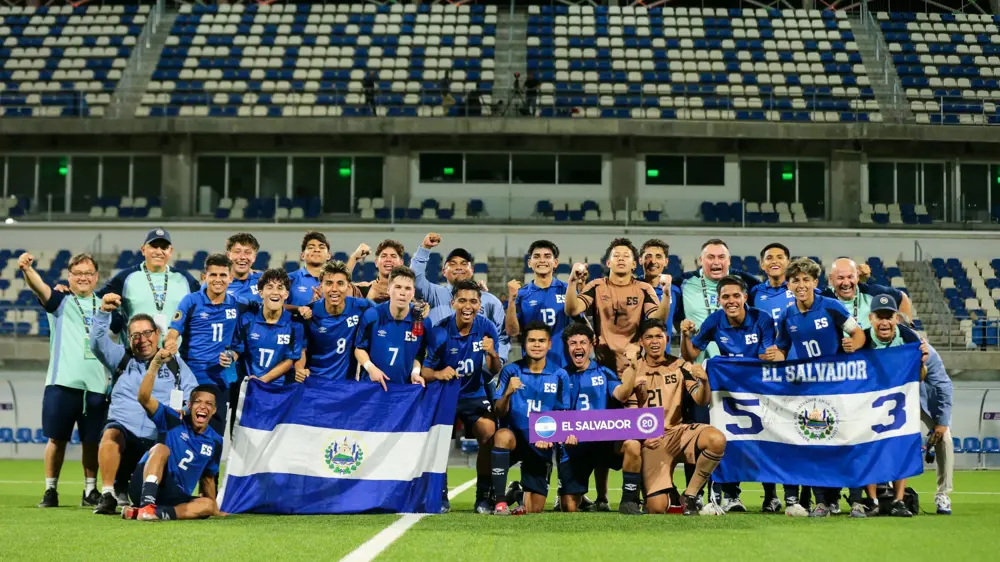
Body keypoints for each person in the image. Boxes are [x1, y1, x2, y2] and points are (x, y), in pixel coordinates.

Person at [20, 252, 122, 508]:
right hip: (62, 382)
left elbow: (125, 332)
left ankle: (90, 492)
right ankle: (50, 490)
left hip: (97, 385)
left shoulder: (107, 306)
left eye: (89, 273)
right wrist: (26, 269)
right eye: (78, 274)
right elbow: (39, 287)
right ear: (70, 277)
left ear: (97, 277)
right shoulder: (60, 301)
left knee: (92, 442)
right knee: (56, 439)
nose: (84, 278)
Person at [769, 257, 865, 518]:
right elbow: (783, 349)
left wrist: (852, 346)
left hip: (837, 385)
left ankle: (856, 501)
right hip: (808, 390)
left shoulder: (831, 307)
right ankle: (822, 502)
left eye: (806, 280)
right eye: (795, 280)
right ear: (788, 285)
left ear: (815, 282)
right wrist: (770, 357)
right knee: (817, 441)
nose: (801, 285)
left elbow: (858, 334)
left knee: (846, 440)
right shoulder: (788, 315)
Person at [680, 275, 781, 512]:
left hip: (759, 390)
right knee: (730, 441)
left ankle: (771, 496)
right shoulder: (715, 320)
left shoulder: (761, 319)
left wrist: (772, 356)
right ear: (719, 300)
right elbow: (690, 354)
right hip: (728, 391)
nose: (731, 301)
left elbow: (768, 356)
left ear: (745, 297)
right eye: (725, 296)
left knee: (765, 439)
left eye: (736, 295)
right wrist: (685, 336)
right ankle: (731, 496)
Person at [89, 296, 197, 515]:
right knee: (111, 433)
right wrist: (103, 312)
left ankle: (144, 493)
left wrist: (184, 409)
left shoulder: (175, 363)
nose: (142, 339)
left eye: (147, 333)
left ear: (157, 334)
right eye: (135, 335)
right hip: (124, 430)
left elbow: (191, 392)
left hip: (157, 436)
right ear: (128, 339)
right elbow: (96, 341)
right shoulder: (120, 357)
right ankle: (108, 493)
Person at [853, 294, 946, 518]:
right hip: (869, 400)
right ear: (871, 318)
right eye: (879, 317)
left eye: (889, 317)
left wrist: (922, 363)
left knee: (901, 448)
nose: (884, 322)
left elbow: (920, 377)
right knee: (869, 448)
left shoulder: (909, 338)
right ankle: (873, 501)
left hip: (901, 403)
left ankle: (898, 500)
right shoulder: (862, 339)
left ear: (896, 318)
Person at [626, 320, 727, 516]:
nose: (654, 341)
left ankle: (690, 495)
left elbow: (701, 400)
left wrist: (705, 382)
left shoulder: (681, 366)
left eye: (659, 336)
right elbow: (627, 413)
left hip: (677, 433)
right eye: (649, 337)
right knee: (656, 508)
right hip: (652, 441)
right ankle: (668, 491)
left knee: (716, 439)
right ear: (641, 342)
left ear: (666, 339)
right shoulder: (633, 369)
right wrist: (642, 437)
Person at [422, 280, 503, 514]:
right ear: (453, 303)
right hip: (446, 395)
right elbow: (425, 372)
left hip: (474, 394)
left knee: (489, 433)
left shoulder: (487, 327)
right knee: (438, 439)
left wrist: (492, 353)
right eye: (462, 300)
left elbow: (494, 368)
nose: (468, 306)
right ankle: (441, 495)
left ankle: (483, 496)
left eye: (473, 301)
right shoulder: (439, 331)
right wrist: (438, 373)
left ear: (480, 304)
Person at [120, 348, 224, 521]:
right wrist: (155, 365)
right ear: (189, 406)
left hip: (175, 496)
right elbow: (144, 398)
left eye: (208, 404)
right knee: (160, 448)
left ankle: (152, 513)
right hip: (145, 485)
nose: (203, 407)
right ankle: (147, 505)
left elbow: (208, 477)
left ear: (214, 410)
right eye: (197, 402)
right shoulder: (172, 419)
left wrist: (213, 508)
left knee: (208, 505)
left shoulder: (215, 441)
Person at [557, 323, 643, 514]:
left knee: (632, 445)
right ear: (567, 347)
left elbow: (621, 394)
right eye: (573, 343)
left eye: (582, 342)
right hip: (575, 444)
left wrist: (633, 366)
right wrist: (564, 433)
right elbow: (556, 414)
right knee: (569, 507)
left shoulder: (604, 372)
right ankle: (583, 496)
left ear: (591, 345)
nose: (578, 347)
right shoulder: (561, 376)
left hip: (604, 441)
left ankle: (628, 500)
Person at [165, 254, 251, 435]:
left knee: (215, 433)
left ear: (231, 278)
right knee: (184, 432)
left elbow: (238, 346)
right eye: (213, 275)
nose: (218, 280)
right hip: (190, 377)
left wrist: (231, 357)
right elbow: (173, 332)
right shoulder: (191, 301)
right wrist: (171, 342)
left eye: (222, 275)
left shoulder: (238, 305)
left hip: (221, 379)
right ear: (204, 277)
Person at [490, 322, 571, 515]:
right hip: (515, 439)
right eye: (532, 340)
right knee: (502, 435)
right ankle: (500, 502)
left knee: (534, 509)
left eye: (541, 341)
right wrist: (508, 393)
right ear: (524, 344)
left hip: (541, 443)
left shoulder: (560, 375)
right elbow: (498, 411)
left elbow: (563, 414)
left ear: (549, 344)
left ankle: (516, 492)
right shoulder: (511, 371)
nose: (536, 345)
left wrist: (551, 437)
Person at [564, 237, 669, 373]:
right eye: (616, 256)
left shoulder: (644, 288)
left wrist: (666, 294)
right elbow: (572, 310)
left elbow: (657, 321)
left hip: (633, 366)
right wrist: (572, 281)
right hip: (601, 367)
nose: (621, 259)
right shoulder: (596, 286)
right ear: (608, 263)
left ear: (634, 264)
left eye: (626, 256)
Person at [412, 232, 509, 360]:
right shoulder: (434, 293)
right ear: (444, 272)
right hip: (438, 373)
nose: (458, 267)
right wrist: (425, 248)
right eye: (452, 264)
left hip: (477, 375)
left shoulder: (490, 301)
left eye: (464, 263)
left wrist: (490, 367)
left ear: (472, 270)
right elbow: (415, 279)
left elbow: (502, 336)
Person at [229, 268, 304, 429]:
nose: (274, 292)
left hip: (277, 392)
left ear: (286, 294)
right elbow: (236, 351)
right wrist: (228, 357)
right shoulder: (247, 320)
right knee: (240, 438)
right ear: (260, 293)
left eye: (280, 287)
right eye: (269, 287)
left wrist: (263, 381)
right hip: (247, 391)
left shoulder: (294, 325)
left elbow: (289, 360)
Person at [99, 228, 200, 334]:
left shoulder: (185, 278)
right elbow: (97, 300)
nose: (159, 251)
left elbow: (204, 304)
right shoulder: (125, 277)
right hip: (136, 349)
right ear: (143, 250)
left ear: (170, 252)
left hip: (175, 350)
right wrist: (113, 318)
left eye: (164, 247)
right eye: (154, 246)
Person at [355, 266, 429, 389]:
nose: (402, 293)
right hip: (371, 388)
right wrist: (371, 369)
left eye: (407, 288)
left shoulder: (421, 321)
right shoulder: (372, 315)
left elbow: (419, 354)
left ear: (413, 292)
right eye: (398, 287)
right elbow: (359, 349)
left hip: (403, 391)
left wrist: (415, 373)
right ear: (389, 289)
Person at [506, 240, 574, 369]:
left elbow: (580, 322)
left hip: (564, 364)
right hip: (532, 366)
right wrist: (511, 299)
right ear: (529, 263)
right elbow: (512, 331)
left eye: (547, 256)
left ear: (555, 263)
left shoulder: (568, 290)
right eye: (536, 256)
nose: (542, 260)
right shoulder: (521, 295)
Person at [302, 261, 373, 380]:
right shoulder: (309, 313)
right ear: (321, 286)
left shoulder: (361, 306)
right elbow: (300, 348)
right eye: (329, 283)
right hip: (314, 383)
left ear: (348, 286)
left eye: (340, 283)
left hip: (345, 386)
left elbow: (386, 311)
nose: (334, 289)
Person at [825, 257, 913, 330]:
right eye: (840, 278)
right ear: (831, 279)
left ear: (857, 277)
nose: (846, 283)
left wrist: (906, 330)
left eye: (850, 277)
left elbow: (901, 297)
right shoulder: (824, 298)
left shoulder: (873, 293)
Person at [640, 239, 681, 345]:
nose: (653, 261)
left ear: (666, 262)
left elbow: (678, 323)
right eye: (648, 256)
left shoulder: (675, 291)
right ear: (640, 260)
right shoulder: (632, 287)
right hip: (634, 357)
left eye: (658, 256)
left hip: (663, 358)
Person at [747, 243, 795, 325]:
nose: (774, 261)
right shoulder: (754, 293)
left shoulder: (799, 288)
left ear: (788, 263)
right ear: (762, 265)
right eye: (769, 258)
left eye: (780, 257)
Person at [288, 231, 331, 307]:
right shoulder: (290, 279)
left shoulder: (335, 282)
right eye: (311, 247)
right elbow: (279, 308)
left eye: (321, 247)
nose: (316, 250)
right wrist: (304, 309)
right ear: (302, 255)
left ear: (328, 255)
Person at [225, 232, 262, 303]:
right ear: (228, 255)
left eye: (247, 252)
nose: (242, 257)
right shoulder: (218, 284)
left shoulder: (264, 281)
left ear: (254, 257)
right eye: (237, 252)